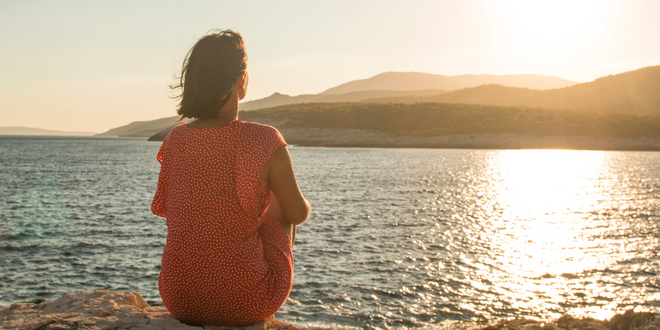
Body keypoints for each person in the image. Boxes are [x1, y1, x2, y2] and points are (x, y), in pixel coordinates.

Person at [151, 30, 311, 327]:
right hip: (247, 303)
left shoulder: (174, 139)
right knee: (279, 210)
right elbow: (297, 213)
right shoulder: (264, 139)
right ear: (242, 81)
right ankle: (262, 306)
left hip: (179, 299)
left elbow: (171, 210)